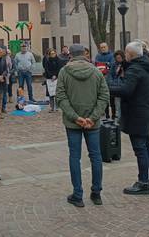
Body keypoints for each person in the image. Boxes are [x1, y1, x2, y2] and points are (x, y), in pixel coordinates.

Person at [56, 44, 109, 207]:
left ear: (70, 55)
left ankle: (78, 194)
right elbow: (104, 96)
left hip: (73, 123)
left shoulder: (64, 71)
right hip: (92, 123)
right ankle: (96, 192)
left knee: (75, 157)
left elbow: (60, 97)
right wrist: (93, 117)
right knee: (96, 156)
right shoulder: (95, 71)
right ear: (85, 54)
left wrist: (75, 117)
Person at [109, 42, 149, 195]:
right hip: (145, 111)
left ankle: (143, 182)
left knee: (140, 148)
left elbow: (126, 90)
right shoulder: (145, 65)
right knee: (147, 145)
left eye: (126, 54)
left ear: (130, 54)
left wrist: (105, 87)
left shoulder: (135, 70)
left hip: (136, 113)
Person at [105, 51, 126, 119]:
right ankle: (118, 118)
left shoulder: (126, 64)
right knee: (117, 105)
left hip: (124, 86)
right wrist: (112, 83)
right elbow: (110, 75)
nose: (118, 59)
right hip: (116, 86)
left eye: (119, 58)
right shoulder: (114, 65)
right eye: (117, 58)